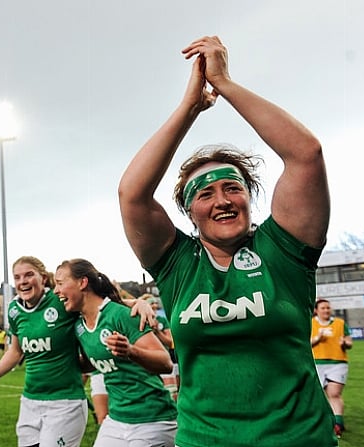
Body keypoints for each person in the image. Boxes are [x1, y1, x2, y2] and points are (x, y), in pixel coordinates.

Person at [118, 35, 335, 446]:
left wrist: (226, 84)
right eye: (205, 194)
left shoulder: (283, 250)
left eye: (232, 188)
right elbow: (132, 193)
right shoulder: (177, 264)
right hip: (205, 440)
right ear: (189, 211)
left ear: (249, 198)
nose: (222, 201)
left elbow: (306, 153)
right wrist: (189, 107)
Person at [55, 259, 177, 447]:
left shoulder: (119, 314)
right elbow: (89, 362)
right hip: (117, 419)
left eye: (60, 283)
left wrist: (131, 351)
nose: (56, 291)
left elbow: (165, 362)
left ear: (82, 282)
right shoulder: (79, 325)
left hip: (152, 419)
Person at [0, 256, 88, 447]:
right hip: (30, 402)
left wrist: (140, 304)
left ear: (43, 278)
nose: (22, 281)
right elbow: (15, 351)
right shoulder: (14, 310)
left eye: (28, 275)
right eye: (17, 277)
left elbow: (98, 305)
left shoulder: (60, 300)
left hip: (65, 402)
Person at [311, 299, 353, 438]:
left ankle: (338, 424)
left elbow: (349, 342)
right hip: (317, 362)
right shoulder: (311, 324)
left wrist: (345, 343)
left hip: (337, 362)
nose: (326, 310)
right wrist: (318, 338)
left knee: (334, 393)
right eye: (323, 308)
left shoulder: (340, 323)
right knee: (318, 396)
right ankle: (320, 422)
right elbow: (305, 342)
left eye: (328, 308)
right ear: (316, 310)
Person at [145, 294, 179, 401]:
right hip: (146, 363)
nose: (154, 305)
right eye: (151, 303)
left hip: (165, 362)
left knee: (171, 394)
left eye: (156, 303)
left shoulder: (162, 320)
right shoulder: (138, 320)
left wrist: (157, 332)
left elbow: (171, 343)